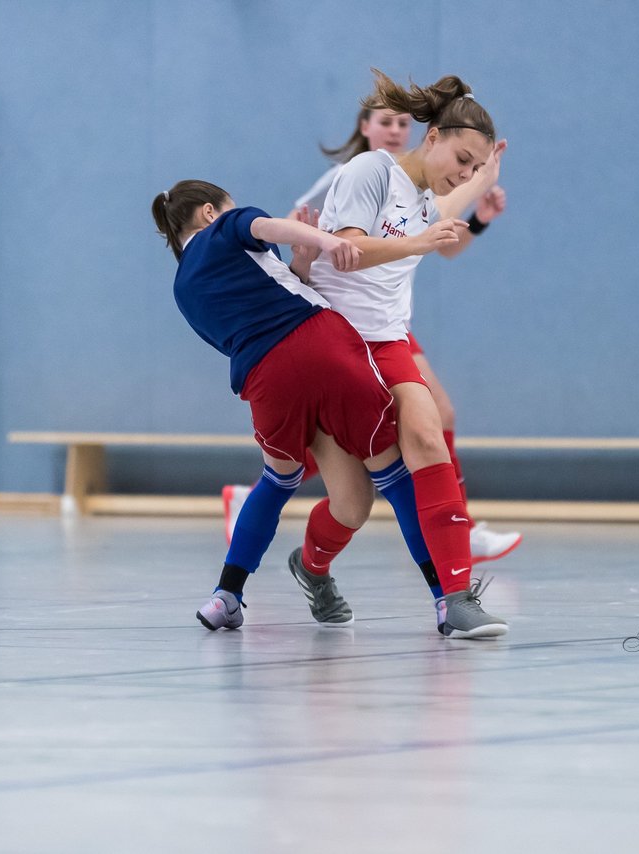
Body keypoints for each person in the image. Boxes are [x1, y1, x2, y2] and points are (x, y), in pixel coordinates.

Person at [152, 179, 507, 639]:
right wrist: (325, 241)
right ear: (207, 212)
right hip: (321, 346)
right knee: (394, 475)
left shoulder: (183, 288)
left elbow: (259, 313)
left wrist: (301, 265)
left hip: (265, 380)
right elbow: (270, 226)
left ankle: (226, 595)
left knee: (290, 483)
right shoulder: (226, 228)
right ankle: (445, 599)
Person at [223, 99, 522, 565]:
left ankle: (452, 536)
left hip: (386, 322)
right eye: (385, 122)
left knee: (415, 425)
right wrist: (304, 257)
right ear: (366, 128)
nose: (395, 130)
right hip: (336, 320)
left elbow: (444, 238)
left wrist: (480, 206)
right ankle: (269, 499)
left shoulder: (420, 190)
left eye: (403, 122)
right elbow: (307, 239)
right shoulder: (356, 175)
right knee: (382, 438)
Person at [291, 70, 511, 636]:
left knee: (429, 433)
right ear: (431, 137)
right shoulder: (371, 171)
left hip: (387, 342)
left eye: (471, 166)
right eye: (459, 158)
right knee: (354, 505)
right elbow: (347, 249)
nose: (459, 174)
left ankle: (456, 598)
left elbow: (457, 200)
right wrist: (418, 242)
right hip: (330, 343)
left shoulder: (428, 195)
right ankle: (311, 566)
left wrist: (484, 178)